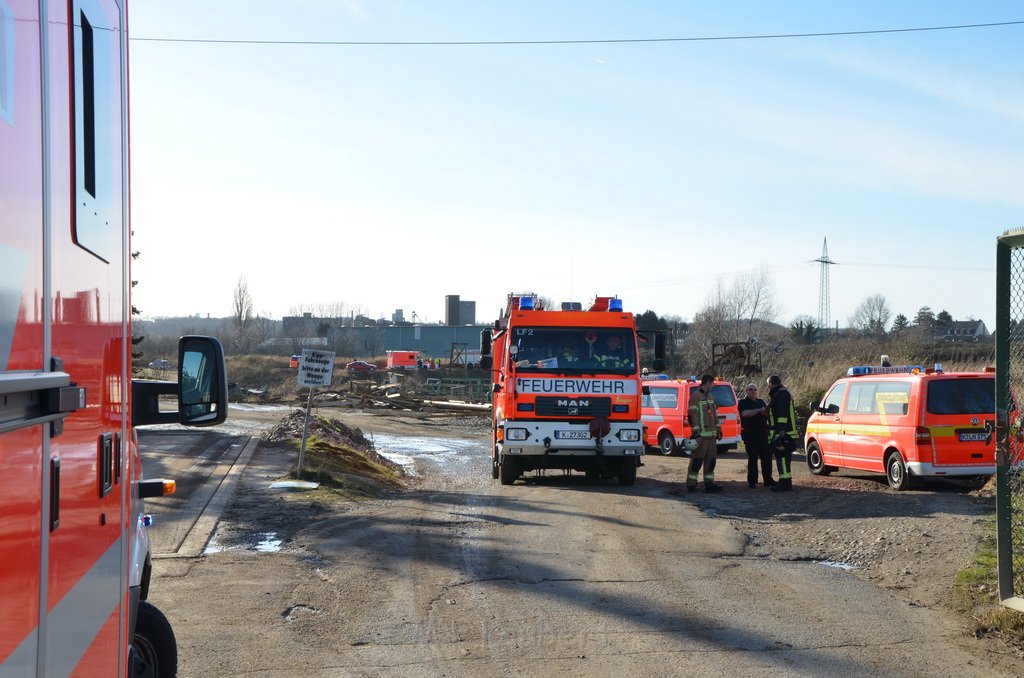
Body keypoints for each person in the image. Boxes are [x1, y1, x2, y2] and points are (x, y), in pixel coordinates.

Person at [685, 374, 724, 493]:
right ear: (707, 382)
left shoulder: (711, 396)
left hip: (712, 436)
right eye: (712, 383)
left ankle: (709, 484)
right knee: (697, 461)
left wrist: (718, 430)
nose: (713, 386)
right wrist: (696, 434)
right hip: (701, 436)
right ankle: (691, 484)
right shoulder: (695, 397)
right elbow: (693, 417)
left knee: (711, 461)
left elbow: (714, 415)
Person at [738, 383, 775, 488]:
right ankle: (752, 481)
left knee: (766, 457)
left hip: (763, 432)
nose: (753, 391)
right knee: (753, 458)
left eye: (754, 389)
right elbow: (745, 414)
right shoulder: (743, 402)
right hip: (750, 433)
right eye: (750, 389)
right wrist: (759, 410)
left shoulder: (761, 401)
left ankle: (768, 480)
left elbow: (767, 413)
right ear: (746, 391)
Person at [766, 374, 799, 492]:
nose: (768, 387)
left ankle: (785, 483)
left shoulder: (780, 394)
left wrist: (781, 431)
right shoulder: (782, 393)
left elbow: (781, 414)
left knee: (783, 458)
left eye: (768, 385)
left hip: (784, 432)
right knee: (783, 458)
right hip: (786, 431)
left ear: (771, 383)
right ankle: (784, 481)